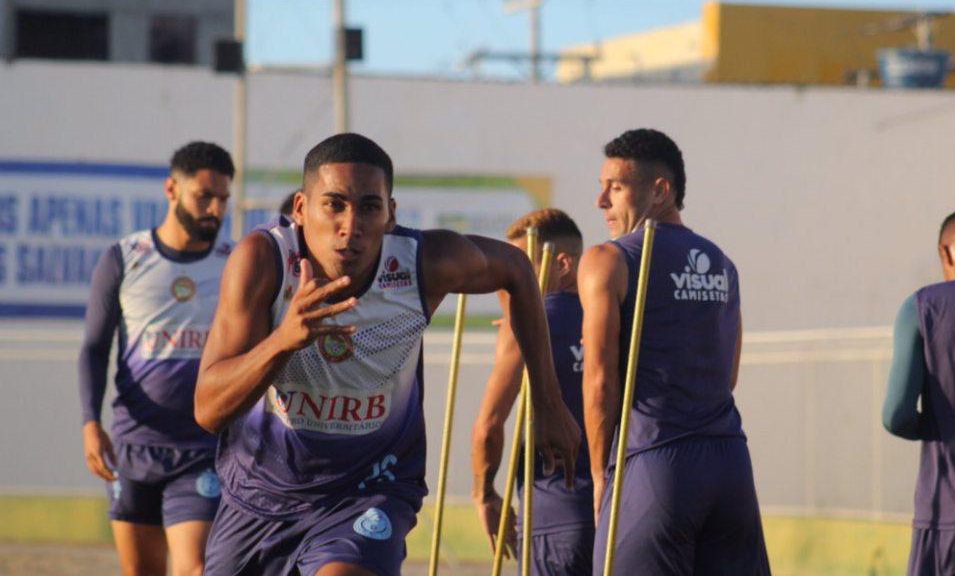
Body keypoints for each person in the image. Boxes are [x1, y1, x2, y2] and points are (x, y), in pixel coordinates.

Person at [195, 133, 581, 576]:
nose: (351, 225)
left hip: (369, 487)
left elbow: (516, 268)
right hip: (261, 493)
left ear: (391, 214)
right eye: (334, 204)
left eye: (369, 207)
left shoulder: (421, 264)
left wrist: (549, 403)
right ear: (301, 209)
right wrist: (282, 341)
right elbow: (208, 409)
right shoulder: (262, 260)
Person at [578, 128, 770, 575]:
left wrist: (601, 475)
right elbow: (729, 376)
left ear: (660, 190)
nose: (601, 200)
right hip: (730, 465)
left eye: (616, 187)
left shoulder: (608, 259)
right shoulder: (722, 262)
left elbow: (600, 380)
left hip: (655, 463)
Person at [78, 141, 235, 576]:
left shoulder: (235, 263)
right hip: (134, 447)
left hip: (203, 448)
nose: (214, 209)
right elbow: (94, 347)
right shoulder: (124, 259)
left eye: (222, 199)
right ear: (172, 189)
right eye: (204, 195)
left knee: (196, 567)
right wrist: (90, 423)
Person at [471, 209, 594, 575]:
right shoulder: (615, 317)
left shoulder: (524, 327)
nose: (513, 278)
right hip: (622, 511)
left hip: (554, 515)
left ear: (564, 263)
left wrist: (485, 494)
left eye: (524, 266)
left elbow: (490, 425)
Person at [883, 207, 955, 576]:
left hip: (947, 521)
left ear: (946, 252)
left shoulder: (923, 307)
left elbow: (895, 415)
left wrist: (943, 423)